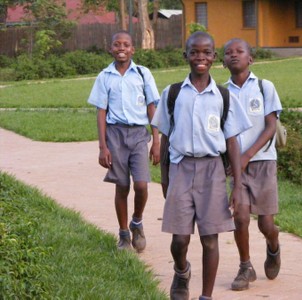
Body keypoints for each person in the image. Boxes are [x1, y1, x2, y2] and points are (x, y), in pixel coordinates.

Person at [151, 31, 252, 300]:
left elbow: (232, 142)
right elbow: (165, 137)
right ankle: (181, 271)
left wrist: (238, 187)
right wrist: (165, 177)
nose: (200, 57)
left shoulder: (222, 96)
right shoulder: (172, 93)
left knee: (210, 238)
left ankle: (206, 296)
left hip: (212, 171)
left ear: (214, 57)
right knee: (179, 239)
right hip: (181, 168)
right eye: (194, 52)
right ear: (185, 56)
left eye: (207, 52)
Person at [87, 30, 160, 252]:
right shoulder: (104, 76)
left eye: (126, 45)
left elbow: (151, 107)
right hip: (115, 135)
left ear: (133, 49)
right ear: (110, 48)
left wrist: (156, 140)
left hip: (138, 134)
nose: (121, 48)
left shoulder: (143, 74)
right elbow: (101, 112)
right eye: (117, 45)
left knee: (141, 185)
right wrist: (103, 147)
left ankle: (136, 221)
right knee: (122, 185)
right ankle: (124, 234)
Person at [223, 38, 282, 291]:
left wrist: (247, 155)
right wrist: (231, 160)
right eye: (228, 53)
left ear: (251, 59)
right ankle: (245, 267)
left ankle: (273, 245)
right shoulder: (221, 92)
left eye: (239, 52)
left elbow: (271, 127)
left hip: (263, 163)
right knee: (241, 218)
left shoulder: (264, 86)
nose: (234, 55)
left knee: (265, 224)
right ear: (223, 61)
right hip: (237, 168)